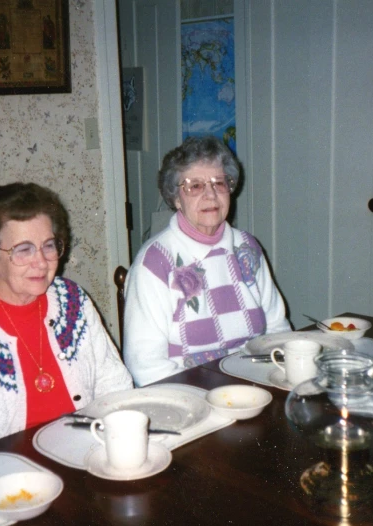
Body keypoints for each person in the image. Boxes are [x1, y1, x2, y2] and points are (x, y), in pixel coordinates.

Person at [0, 183, 133, 461]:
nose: (41, 262)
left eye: (48, 246)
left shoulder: (73, 300)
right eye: (23, 250)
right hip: (10, 484)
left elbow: (115, 386)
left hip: (92, 458)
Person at [124, 136, 292, 386]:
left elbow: (277, 329)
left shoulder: (247, 248)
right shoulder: (155, 262)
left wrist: (272, 381)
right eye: (195, 186)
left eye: (219, 183)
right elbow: (145, 365)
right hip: (192, 396)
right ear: (176, 198)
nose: (211, 195)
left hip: (255, 387)